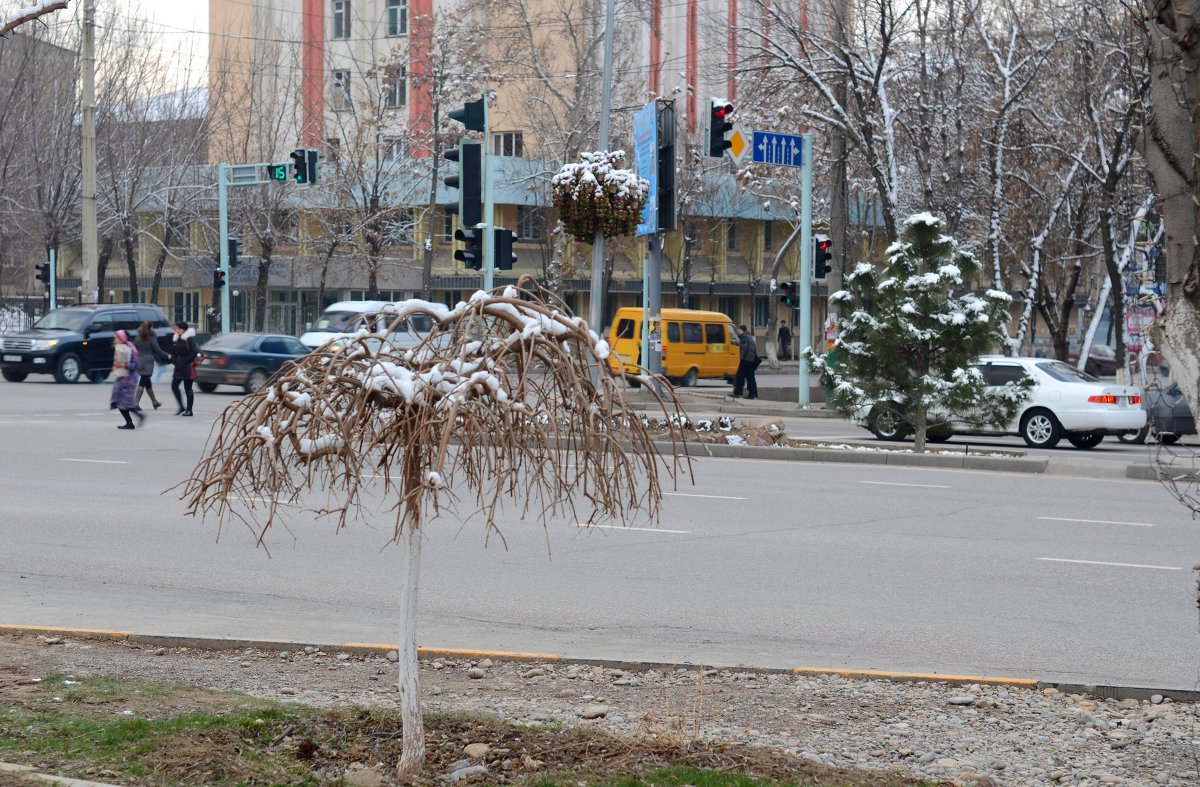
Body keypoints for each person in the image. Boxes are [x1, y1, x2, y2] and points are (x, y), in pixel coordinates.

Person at [110, 330, 144, 430]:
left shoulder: (129, 349)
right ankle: (130, 422)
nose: (114, 340)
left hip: (129, 379)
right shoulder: (120, 348)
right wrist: (116, 366)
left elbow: (136, 364)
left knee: (124, 402)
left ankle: (136, 418)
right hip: (121, 378)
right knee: (120, 402)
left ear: (122, 339)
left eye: (116, 338)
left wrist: (123, 365)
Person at [134, 321, 169, 409]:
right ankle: (135, 403)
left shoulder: (137, 337)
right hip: (148, 361)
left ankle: (154, 402)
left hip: (139, 360)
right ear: (150, 328)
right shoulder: (151, 338)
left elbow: (135, 349)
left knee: (147, 382)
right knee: (143, 381)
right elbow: (158, 350)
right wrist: (168, 355)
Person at [170, 321, 199, 417]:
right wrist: (174, 360)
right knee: (174, 386)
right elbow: (173, 351)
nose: (176, 330)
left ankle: (189, 410)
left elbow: (194, 353)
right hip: (178, 367)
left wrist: (183, 361)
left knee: (188, 389)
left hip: (187, 367)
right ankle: (181, 406)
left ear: (182, 329)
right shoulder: (176, 338)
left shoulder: (189, 339)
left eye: (177, 328)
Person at [732, 324, 759, 400]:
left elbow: (744, 348)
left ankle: (738, 393)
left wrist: (741, 357)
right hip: (751, 360)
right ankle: (753, 394)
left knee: (740, 376)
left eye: (738, 330)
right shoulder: (749, 337)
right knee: (750, 377)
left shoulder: (744, 337)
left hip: (745, 359)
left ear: (741, 330)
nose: (738, 331)